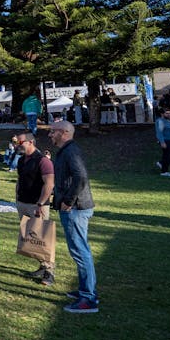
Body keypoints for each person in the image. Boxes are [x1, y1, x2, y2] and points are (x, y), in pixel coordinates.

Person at [48, 120, 99, 314]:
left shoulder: (71, 151)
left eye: (53, 132)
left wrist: (68, 201)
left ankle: (88, 298)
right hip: (73, 207)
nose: (50, 135)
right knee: (80, 250)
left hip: (75, 208)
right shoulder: (65, 151)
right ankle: (86, 289)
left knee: (80, 251)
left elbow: (81, 177)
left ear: (64, 132)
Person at [14, 131, 56, 285]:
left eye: (20, 142)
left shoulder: (43, 161)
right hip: (23, 203)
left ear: (30, 142)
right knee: (32, 239)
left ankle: (49, 271)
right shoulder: (21, 160)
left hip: (37, 205)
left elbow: (49, 184)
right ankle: (41, 266)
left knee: (43, 238)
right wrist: (17, 198)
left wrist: (40, 203)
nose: (17, 145)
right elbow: (20, 180)